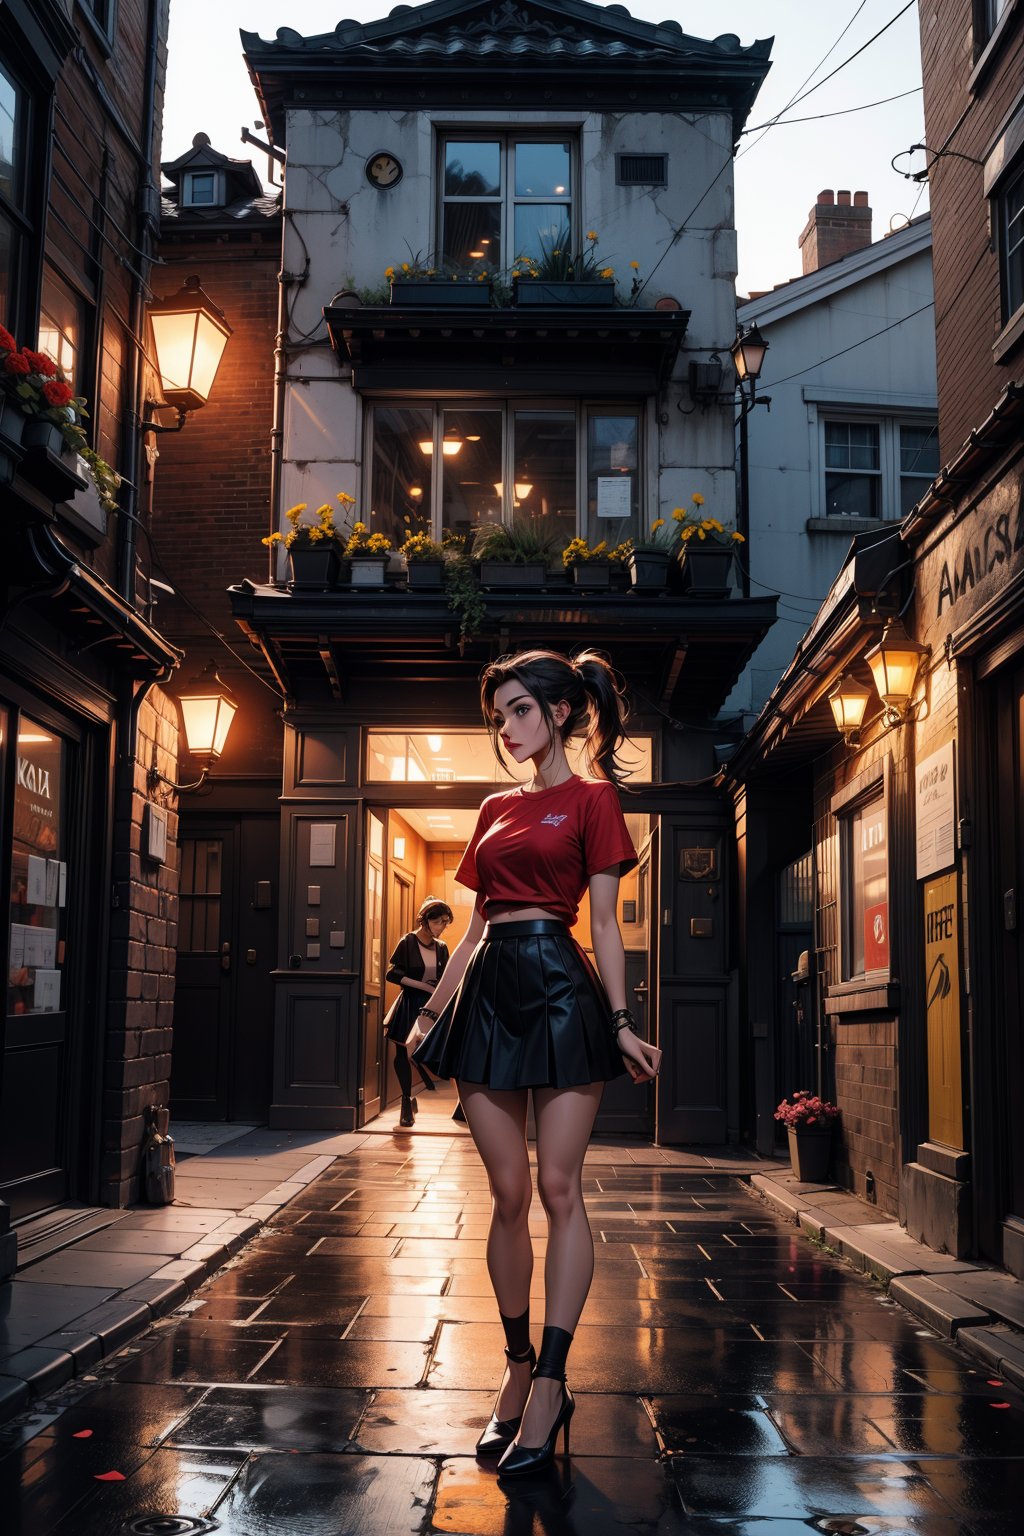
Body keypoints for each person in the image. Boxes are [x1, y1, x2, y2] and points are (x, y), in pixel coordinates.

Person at [408, 648, 661, 1476]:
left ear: (558, 712)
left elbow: (607, 923)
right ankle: (515, 1371)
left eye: (519, 710)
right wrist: (430, 1015)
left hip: (560, 988)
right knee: (507, 1193)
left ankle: (552, 1384)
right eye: (499, 714)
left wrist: (622, 1022)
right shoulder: (490, 807)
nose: (506, 727)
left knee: (558, 1187)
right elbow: (478, 924)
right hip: (488, 992)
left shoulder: (594, 798)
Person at [384, 897, 453, 1127]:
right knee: (403, 1053)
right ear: (426, 920)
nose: (442, 927)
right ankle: (406, 1103)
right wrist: (424, 985)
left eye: (445, 923)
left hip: (434, 1006)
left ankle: (462, 1103)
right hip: (410, 1003)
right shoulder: (408, 942)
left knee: (445, 1049)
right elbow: (392, 974)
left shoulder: (441, 948)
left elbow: (446, 979)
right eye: (439, 922)